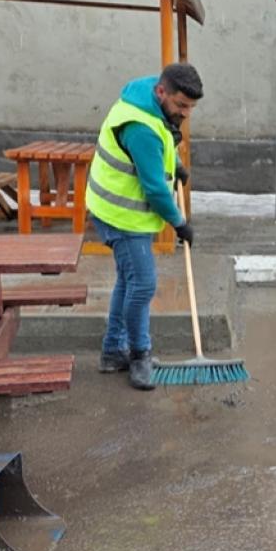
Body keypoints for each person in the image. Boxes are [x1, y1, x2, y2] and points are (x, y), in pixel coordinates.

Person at [85, 63, 201, 390]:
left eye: (191, 107)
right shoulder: (140, 128)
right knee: (144, 284)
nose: (186, 113)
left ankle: (112, 352)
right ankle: (139, 355)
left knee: (129, 279)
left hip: (115, 207)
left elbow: (164, 136)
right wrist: (179, 223)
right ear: (162, 92)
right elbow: (153, 187)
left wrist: (175, 164)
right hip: (121, 215)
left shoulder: (150, 97)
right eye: (181, 106)